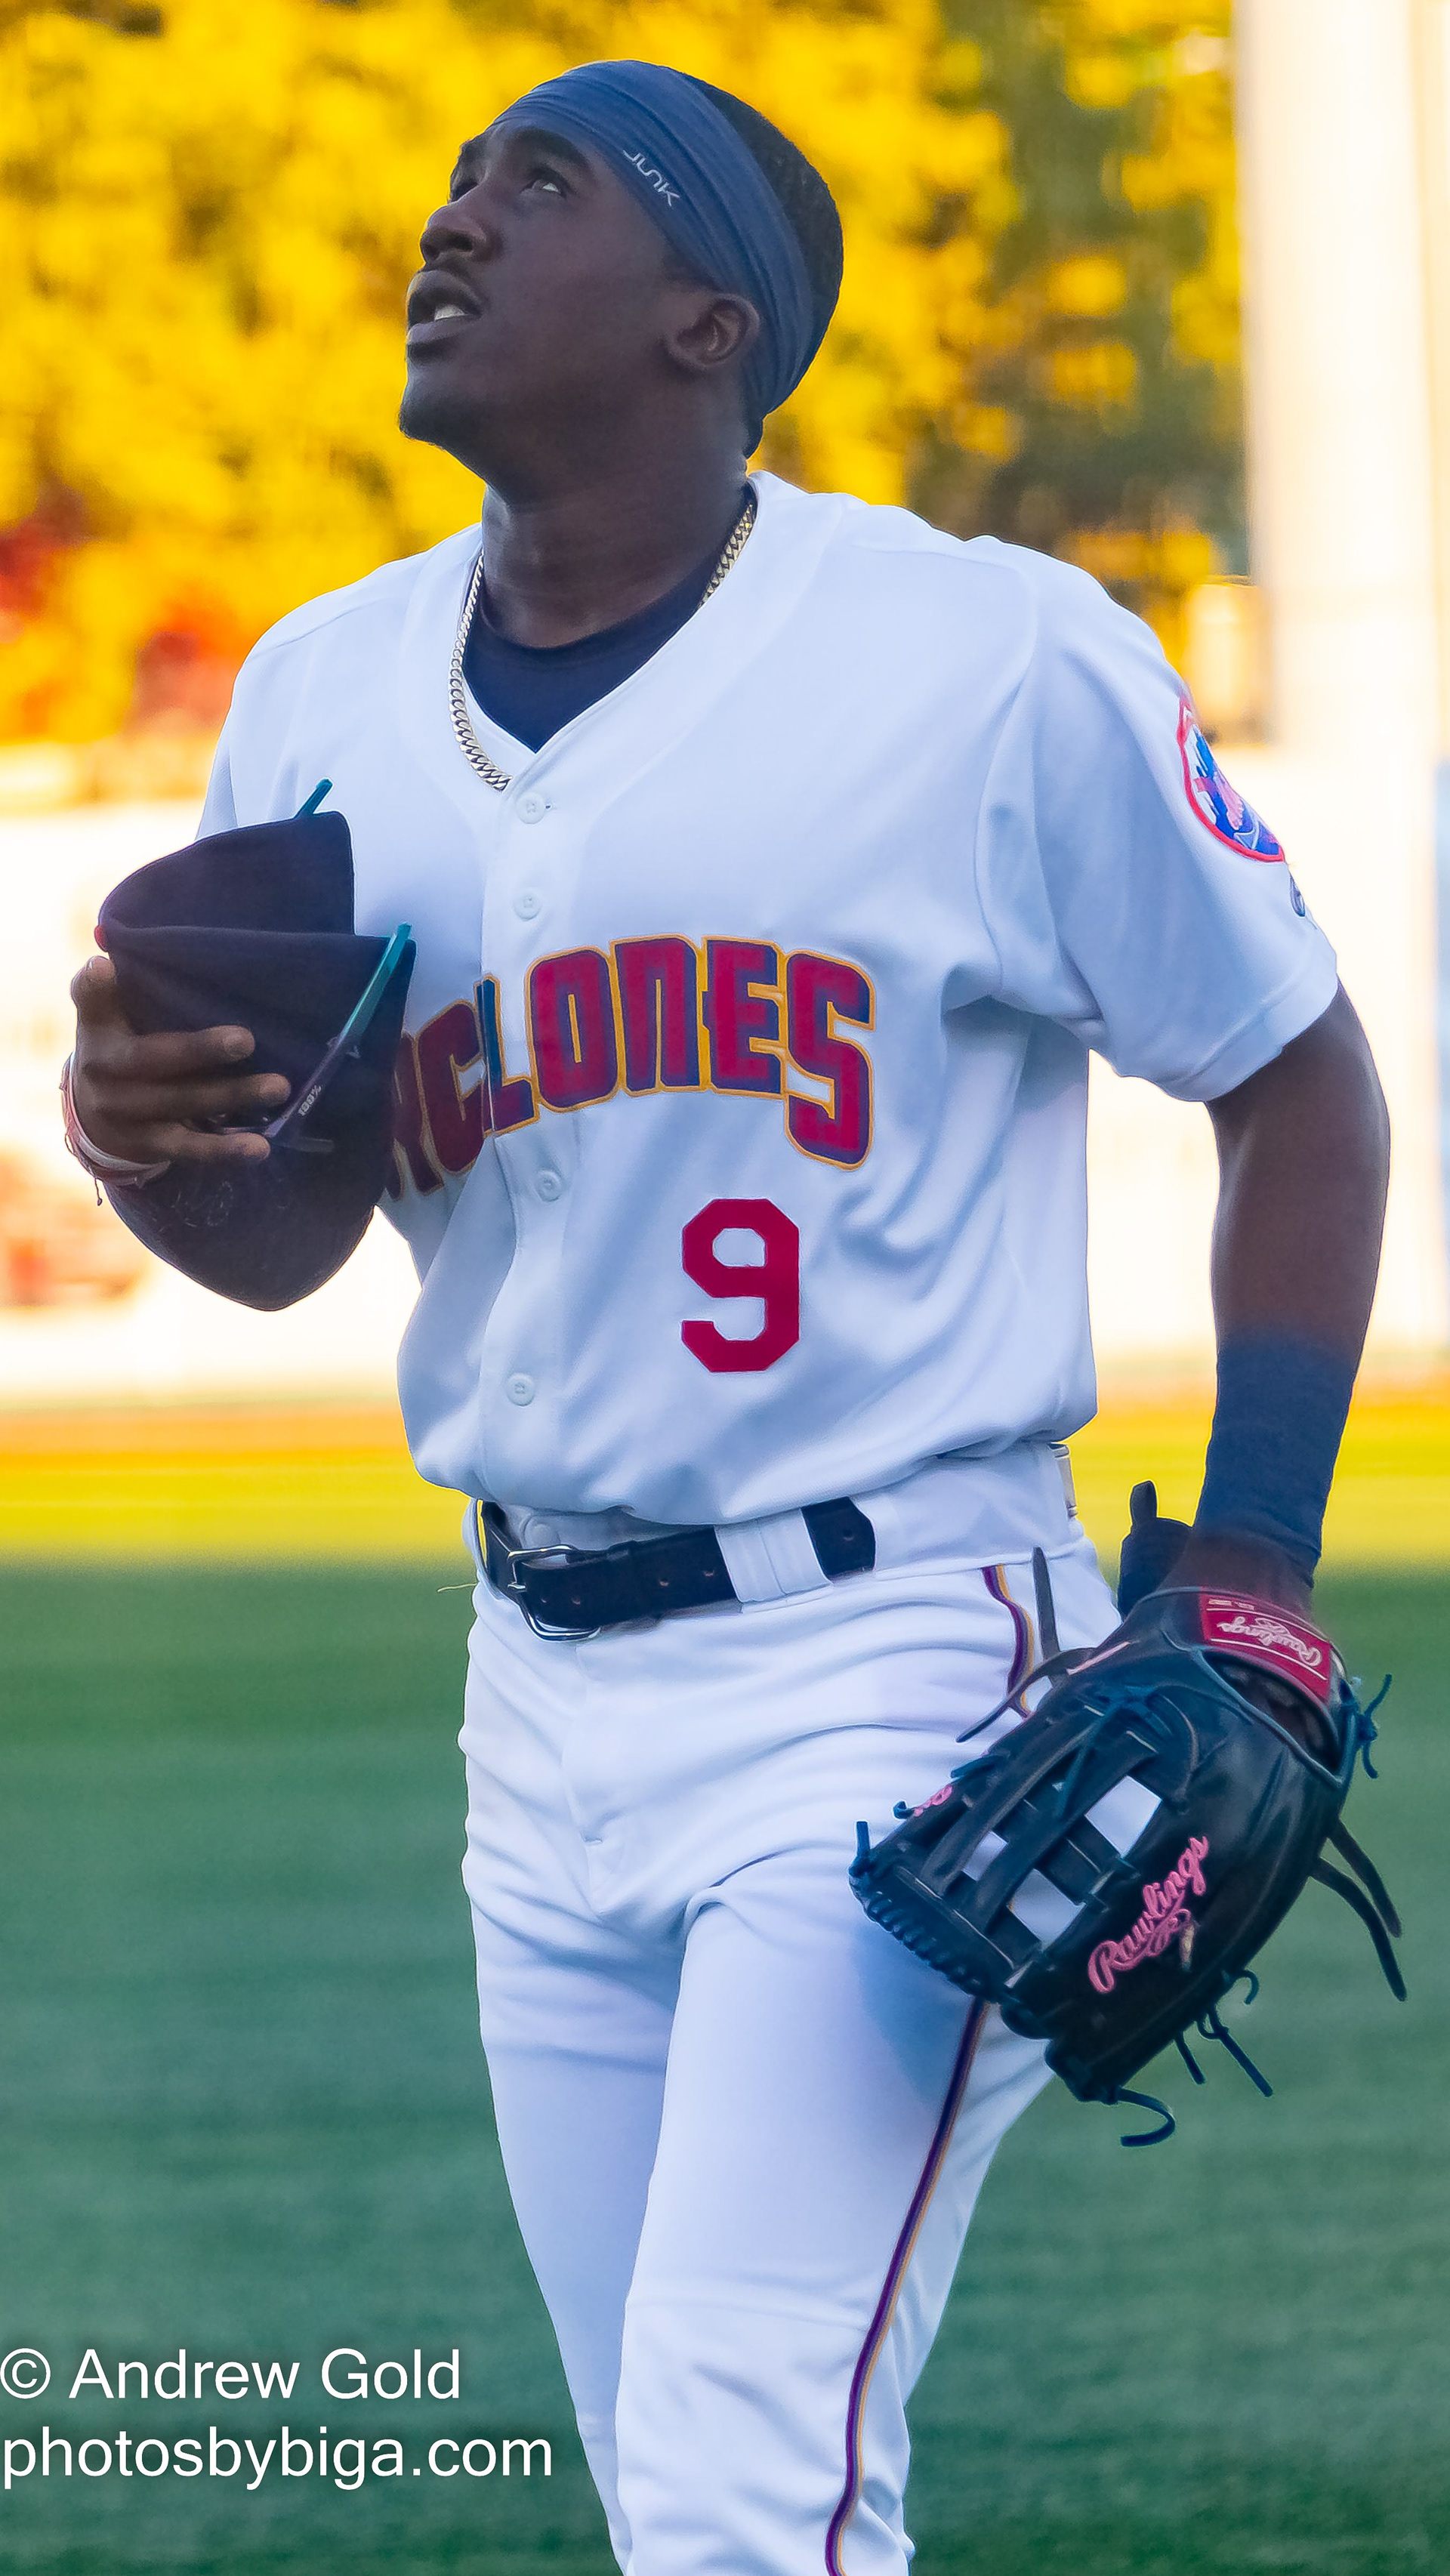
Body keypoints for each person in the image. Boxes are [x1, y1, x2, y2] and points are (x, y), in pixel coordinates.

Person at [66, 60, 1390, 2576]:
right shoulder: (326, 693)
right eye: (458, 183)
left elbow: (1298, 1081)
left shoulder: (983, 661)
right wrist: (142, 1131)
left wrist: (1258, 1554)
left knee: (738, 2467)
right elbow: (271, 1237)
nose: (453, 220)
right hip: (533, 1698)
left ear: (710, 319)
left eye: (536, 184)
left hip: (888, 1658)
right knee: (691, 2482)